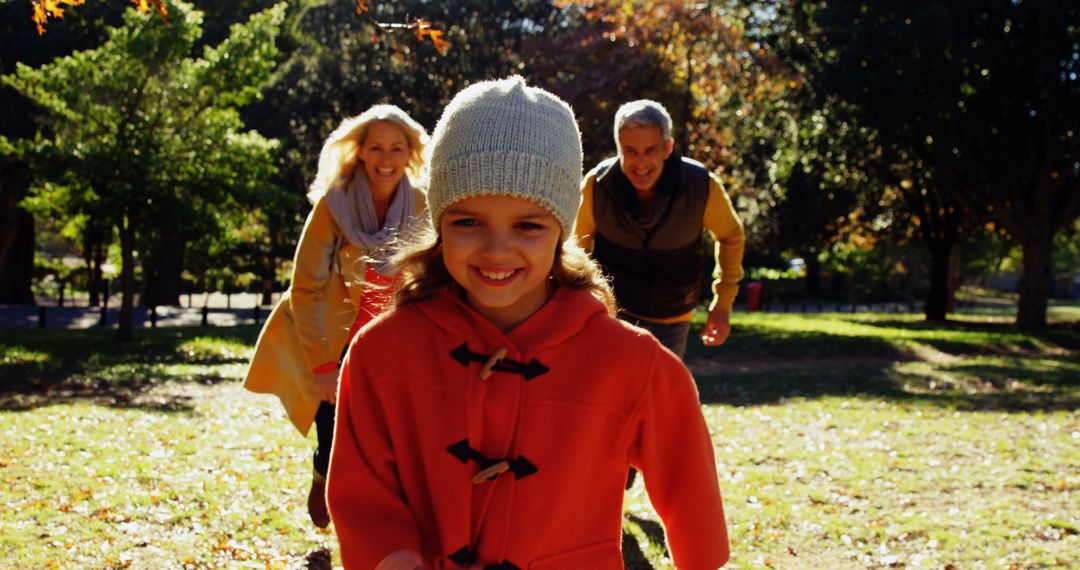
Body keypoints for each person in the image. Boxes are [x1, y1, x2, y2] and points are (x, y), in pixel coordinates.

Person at [326, 76, 729, 569]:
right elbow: (359, 484)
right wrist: (391, 554)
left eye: (528, 225)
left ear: (561, 230)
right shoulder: (381, 351)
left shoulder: (631, 360)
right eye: (468, 221)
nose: (496, 249)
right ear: (438, 224)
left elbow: (688, 482)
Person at [243, 104, 428, 529]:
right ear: (361, 151)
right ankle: (322, 474)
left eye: (396, 148)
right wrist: (323, 366)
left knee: (387, 434)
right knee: (334, 432)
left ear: (409, 153)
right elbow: (304, 288)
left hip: (389, 334)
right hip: (332, 337)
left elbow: (426, 269)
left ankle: (372, 512)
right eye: (377, 147)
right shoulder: (334, 204)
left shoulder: (418, 202)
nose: (386, 159)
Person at [575, 100, 745, 359]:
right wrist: (580, 302)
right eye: (630, 151)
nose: (640, 162)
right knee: (613, 392)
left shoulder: (701, 185)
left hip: (673, 315)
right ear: (619, 148)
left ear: (667, 148)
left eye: (650, 150)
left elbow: (730, 235)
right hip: (614, 313)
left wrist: (722, 303)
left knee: (661, 393)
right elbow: (576, 248)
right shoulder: (597, 185)